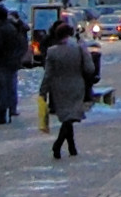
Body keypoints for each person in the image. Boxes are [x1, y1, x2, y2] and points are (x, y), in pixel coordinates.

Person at [40, 18, 95, 160]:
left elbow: (48, 74)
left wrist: (43, 91)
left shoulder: (52, 52)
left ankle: (72, 147)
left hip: (58, 88)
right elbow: (90, 68)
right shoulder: (78, 49)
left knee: (67, 116)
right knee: (69, 118)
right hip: (77, 85)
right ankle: (58, 144)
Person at [0, 11, 26, 122]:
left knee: (2, 88)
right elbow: (21, 45)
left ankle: (1, 113)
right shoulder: (13, 29)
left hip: (2, 63)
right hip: (12, 63)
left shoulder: (1, 31)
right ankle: (9, 110)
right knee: (10, 87)